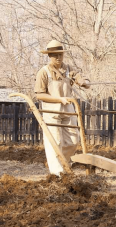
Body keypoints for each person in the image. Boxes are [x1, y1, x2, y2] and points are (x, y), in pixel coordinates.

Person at [34, 39, 89, 175]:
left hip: (68, 111)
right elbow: (39, 95)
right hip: (51, 112)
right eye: (55, 55)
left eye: (60, 55)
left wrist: (83, 82)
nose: (58, 58)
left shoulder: (68, 69)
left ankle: (64, 164)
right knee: (55, 142)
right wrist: (58, 99)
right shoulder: (44, 72)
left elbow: (78, 77)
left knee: (73, 140)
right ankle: (57, 173)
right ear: (49, 56)